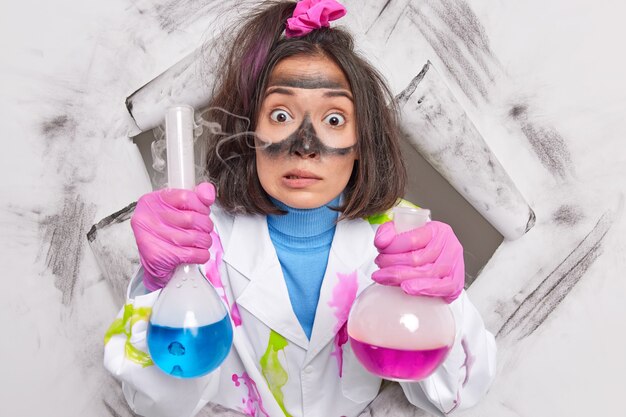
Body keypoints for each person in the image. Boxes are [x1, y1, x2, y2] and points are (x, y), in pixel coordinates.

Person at [103, 1, 497, 416]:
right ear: (250, 131)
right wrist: (157, 286)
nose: (304, 146)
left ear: (362, 141)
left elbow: (456, 395)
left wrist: (442, 299)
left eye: (333, 120)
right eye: (280, 114)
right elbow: (154, 405)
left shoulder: (401, 242)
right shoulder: (200, 240)